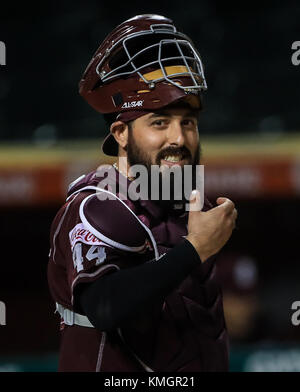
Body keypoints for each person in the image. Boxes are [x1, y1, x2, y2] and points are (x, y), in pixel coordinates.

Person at [47, 14, 237, 372]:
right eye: (159, 122)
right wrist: (195, 249)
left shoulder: (194, 206)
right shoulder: (97, 205)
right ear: (120, 133)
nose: (179, 139)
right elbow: (103, 307)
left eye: (188, 123)